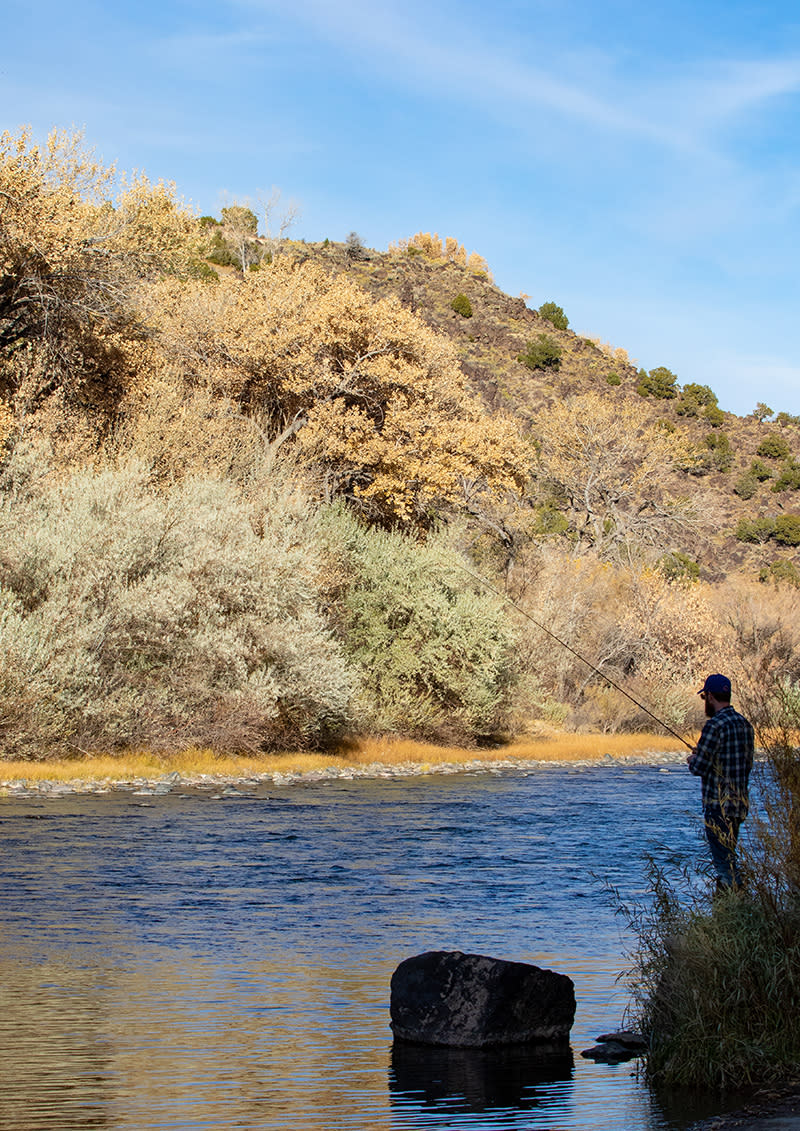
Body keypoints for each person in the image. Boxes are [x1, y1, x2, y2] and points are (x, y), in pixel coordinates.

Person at [687, 673, 754, 889]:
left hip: (717, 806)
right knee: (729, 856)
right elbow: (745, 764)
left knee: (724, 866)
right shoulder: (745, 725)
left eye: (704, 697)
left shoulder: (714, 726)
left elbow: (699, 768)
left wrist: (693, 758)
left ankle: (733, 907)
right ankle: (731, 908)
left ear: (710, 697)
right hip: (738, 806)